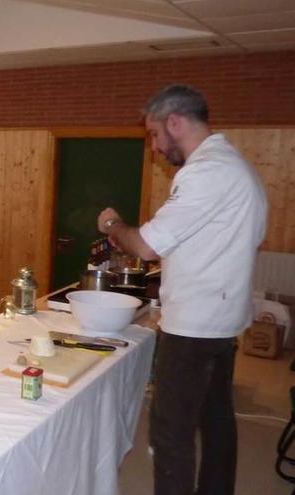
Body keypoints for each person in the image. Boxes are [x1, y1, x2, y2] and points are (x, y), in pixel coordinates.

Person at [96, 84, 267, 495]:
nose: (154, 147)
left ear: (175, 122)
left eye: (155, 134)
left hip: (194, 328)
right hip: (221, 322)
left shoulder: (206, 172)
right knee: (216, 421)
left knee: (170, 433)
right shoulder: (236, 166)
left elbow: (147, 245)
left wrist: (112, 225)